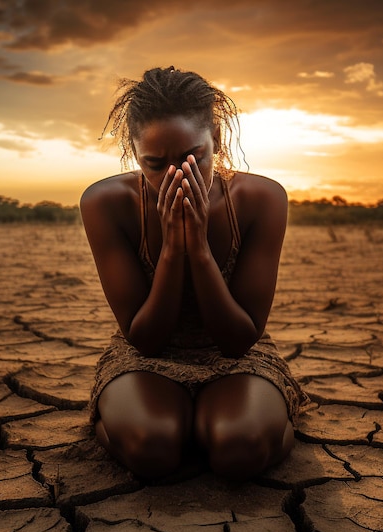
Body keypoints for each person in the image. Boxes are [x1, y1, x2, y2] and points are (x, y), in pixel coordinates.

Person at [80, 66, 304, 481]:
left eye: (191, 157)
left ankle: (263, 418)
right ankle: (128, 420)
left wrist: (199, 250)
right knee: (153, 449)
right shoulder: (106, 203)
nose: (175, 176)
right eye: (154, 162)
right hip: (144, 356)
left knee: (240, 450)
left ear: (215, 140)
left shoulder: (261, 199)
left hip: (238, 357)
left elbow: (239, 340)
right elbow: (145, 338)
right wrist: (171, 249)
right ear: (133, 150)